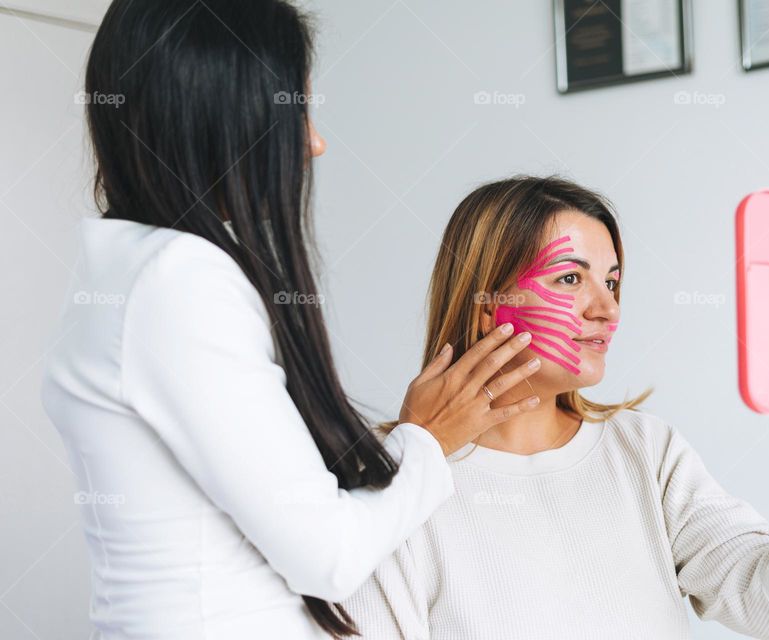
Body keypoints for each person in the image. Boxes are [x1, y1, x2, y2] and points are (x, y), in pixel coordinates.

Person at [39, 2, 542, 638]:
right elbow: (325, 556)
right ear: (221, 118)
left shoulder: (126, 272)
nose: (315, 142)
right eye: (296, 110)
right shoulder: (176, 282)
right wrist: (426, 440)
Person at [345, 176, 769, 639]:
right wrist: (414, 453)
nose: (607, 309)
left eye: (612, 282)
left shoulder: (645, 451)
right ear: (488, 304)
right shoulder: (392, 480)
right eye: (571, 279)